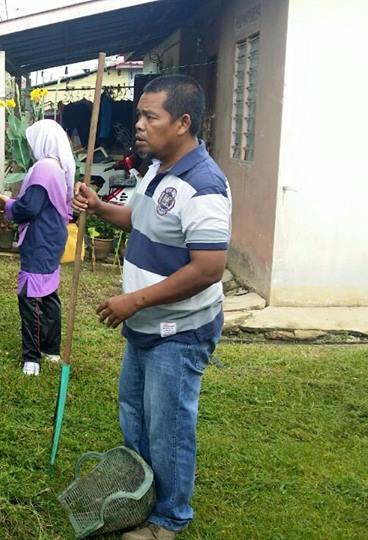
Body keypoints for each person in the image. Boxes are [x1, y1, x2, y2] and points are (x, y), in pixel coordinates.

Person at [73, 75, 230, 540]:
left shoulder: (204, 186)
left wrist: (133, 300)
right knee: (135, 416)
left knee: (169, 427)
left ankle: (169, 519)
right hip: (145, 324)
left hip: (178, 331)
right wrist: (102, 208)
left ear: (182, 123)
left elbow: (208, 268)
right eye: (139, 114)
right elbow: (140, 218)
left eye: (149, 116)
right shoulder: (158, 170)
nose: (138, 125)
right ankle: (141, 497)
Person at [0, 119, 75, 377]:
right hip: (53, 237)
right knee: (48, 292)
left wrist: (8, 204)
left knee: (29, 296)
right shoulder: (62, 167)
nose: (30, 148)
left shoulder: (44, 169)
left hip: (40, 239)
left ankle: (32, 357)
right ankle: (51, 349)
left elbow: (29, 207)